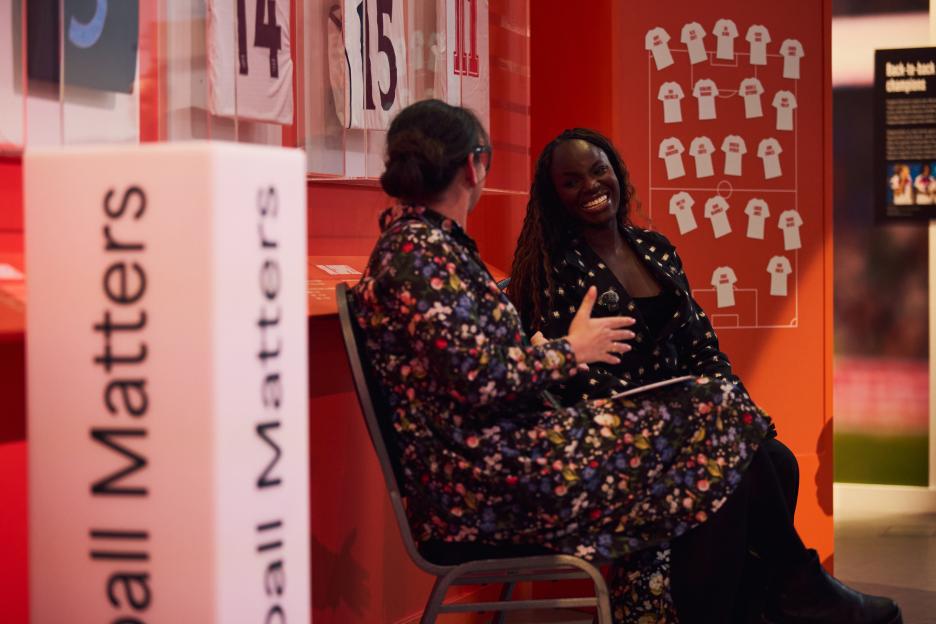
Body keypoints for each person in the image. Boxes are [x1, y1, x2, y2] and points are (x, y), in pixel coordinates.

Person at [350, 100, 901, 624]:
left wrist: (542, 354)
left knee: (726, 424)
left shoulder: (424, 250)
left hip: (504, 463)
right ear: (475, 165)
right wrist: (571, 351)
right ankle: (789, 590)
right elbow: (478, 379)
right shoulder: (419, 257)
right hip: (487, 486)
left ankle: (779, 594)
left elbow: (472, 369)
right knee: (719, 425)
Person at [508, 128, 807, 621]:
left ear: (617, 172)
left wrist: (738, 414)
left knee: (774, 457)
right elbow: (563, 385)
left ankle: (758, 600)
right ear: (553, 196)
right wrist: (677, 420)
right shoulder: (552, 270)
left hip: (687, 421)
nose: (590, 185)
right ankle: (791, 589)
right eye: (571, 181)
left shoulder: (656, 248)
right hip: (619, 438)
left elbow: (702, 347)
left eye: (599, 170)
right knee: (748, 466)